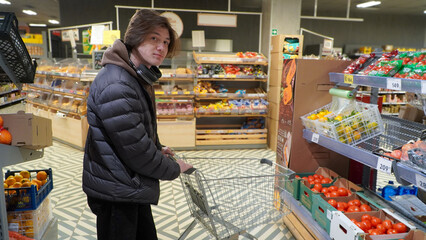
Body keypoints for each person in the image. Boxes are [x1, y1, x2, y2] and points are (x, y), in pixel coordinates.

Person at [82, 9, 192, 240]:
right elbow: (137, 152)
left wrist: (156, 148)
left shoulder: (133, 77)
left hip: (127, 184)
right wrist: (174, 168)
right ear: (134, 38)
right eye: (154, 38)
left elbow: (131, 135)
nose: (161, 47)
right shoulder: (118, 84)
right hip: (117, 191)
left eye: (165, 41)